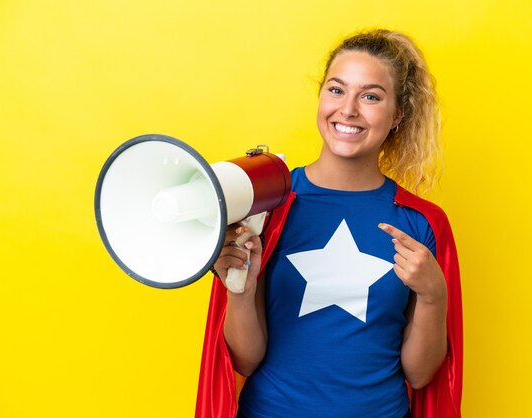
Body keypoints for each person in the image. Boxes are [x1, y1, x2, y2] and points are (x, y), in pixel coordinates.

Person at [196, 29, 462, 418]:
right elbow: (244, 362)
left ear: (398, 115)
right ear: (321, 96)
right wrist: (239, 290)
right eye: (337, 90)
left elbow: (420, 376)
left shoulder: (421, 223)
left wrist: (433, 295)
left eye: (371, 96)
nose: (349, 109)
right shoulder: (267, 202)